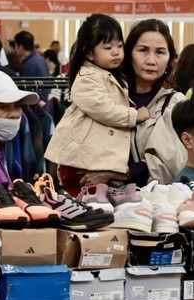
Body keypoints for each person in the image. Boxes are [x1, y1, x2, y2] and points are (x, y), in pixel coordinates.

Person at [45, 14, 150, 195]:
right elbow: (104, 109)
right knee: (87, 205)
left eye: (119, 46)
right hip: (82, 162)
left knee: (100, 206)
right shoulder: (86, 77)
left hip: (99, 160)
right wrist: (134, 115)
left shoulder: (112, 75)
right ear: (89, 53)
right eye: (108, 47)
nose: (116, 52)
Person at [78, 19, 187, 189]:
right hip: (97, 196)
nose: (151, 60)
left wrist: (117, 172)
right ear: (128, 54)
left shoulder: (174, 104)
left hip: (152, 201)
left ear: (170, 59)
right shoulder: (104, 98)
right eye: (143, 50)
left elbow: (169, 166)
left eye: (160, 52)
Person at [13, 30, 51, 100]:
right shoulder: (40, 59)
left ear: (20, 46)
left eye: (15, 45)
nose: (15, 49)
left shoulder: (29, 64)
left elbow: (26, 91)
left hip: (35, 104)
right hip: (43, 102)